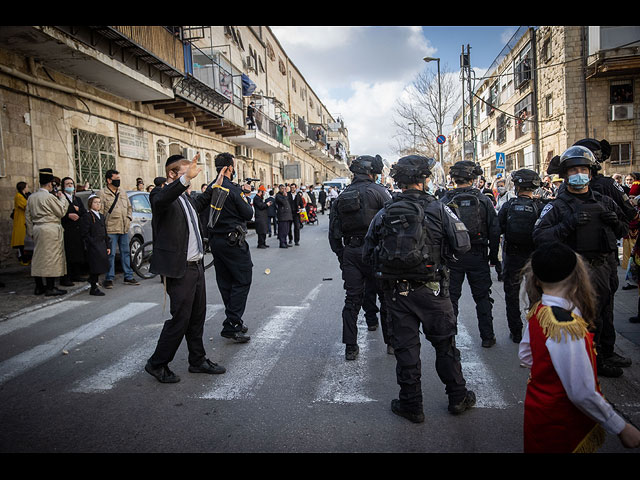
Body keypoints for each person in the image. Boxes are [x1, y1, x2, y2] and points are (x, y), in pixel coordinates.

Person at [363, 155, 475, 423]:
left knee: (406, 349)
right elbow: (463, 244)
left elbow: (368, 253)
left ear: (398, 181)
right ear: (425, 179)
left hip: (397, 293)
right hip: (434, 290)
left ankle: (412, 405)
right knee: (445, 345)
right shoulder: (441, 208)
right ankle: (457, 397)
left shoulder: (385, 212)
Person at [519, 242, 640, 453]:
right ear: (576, 278)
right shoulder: (565, 326)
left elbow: (526, 356)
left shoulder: (539, 310)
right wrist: (621, 427)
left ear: (537, 280)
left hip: (539, 412)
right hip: (561, 422)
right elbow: (582, 393)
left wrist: (548, 374)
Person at [533, 145, 629, 378]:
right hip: (577, 271)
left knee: (606, 312)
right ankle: (585, 359)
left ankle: (605, 353)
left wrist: (615, 221)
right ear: (565, 175)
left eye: (583, 169)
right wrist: (569, 224)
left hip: (606, 267)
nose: (579, 173)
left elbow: (624, 230)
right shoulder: (556, 206)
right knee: (583, 317)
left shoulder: (604, 201)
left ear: (591, 172)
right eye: (574, 169)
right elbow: (539, 236)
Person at [145, 154, 230, 383]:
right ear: (172, 174)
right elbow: (162, 199)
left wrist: (215, 185)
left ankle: (197, 360)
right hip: (180, 269)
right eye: (186, 170)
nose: (192, 174)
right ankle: (157, 363)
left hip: (197, 267)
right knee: (180, 319)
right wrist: (182, 181)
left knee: (196, 317)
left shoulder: (186, 198)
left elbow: (201, 203)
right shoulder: (160, 195)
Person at [328, 155, 392, 360]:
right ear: (370, 172)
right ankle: (391, 343)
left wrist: (342, 256)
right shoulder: (381, 192)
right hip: (376, 253)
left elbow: (333, 233)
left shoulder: (342, 195)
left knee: (352, 300)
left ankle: (350, 347)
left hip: (352, 253)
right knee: (386, 298)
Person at [440, 161, 501, 347]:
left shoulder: (444, 201)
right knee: (482, 297)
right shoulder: (483, 200)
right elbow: (495, 230)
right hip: (478, 254)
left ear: (453, 179)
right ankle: (487, 337)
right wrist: (493, 257)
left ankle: (450, 338)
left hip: (454, 256)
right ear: (473, 179)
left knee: (452, 298)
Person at [208, 152, 253, 343]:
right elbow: (248, 213)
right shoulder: (233, 189)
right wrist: (245, 196)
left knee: (225, 282)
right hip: (233, 242)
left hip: (216, 242)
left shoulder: (211, 187)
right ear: (228, 169)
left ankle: (234, 320)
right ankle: (232, 324)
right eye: (233, 167)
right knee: (242, 280)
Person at [497, 169, 545, 343]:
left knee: (511, 294)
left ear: (516, 186)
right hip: (535, 257)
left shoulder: (508, 206)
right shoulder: (541, 207)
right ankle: (535, 330)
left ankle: (516, 332)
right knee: (537, 296)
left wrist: (494, 258)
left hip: (513, 256)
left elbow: (497, 229)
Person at [25, 168, 68, 296]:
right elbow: (61, 211)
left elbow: (27, 216)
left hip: (37, 228)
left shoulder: (31, 197)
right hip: (50, 229)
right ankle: (50, 287)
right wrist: (63, 199)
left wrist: (30, 231)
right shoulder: (49, 197)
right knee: (52, 258)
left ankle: (39, 287)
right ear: (50, 184)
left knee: (38, 257)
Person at [97, 169, 139, 288]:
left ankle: (128, 276)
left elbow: (129, 207)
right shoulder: (102, 193)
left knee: (126, 252)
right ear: (109, 180)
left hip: (123, 227)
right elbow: (100, 212)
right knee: (111, 255)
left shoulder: (122, 192)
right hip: (110, 229)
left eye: (119, 179)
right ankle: (109, 278)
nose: (118, 181)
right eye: (116, 179)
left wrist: (129, 218)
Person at [80, 196, 111, 296]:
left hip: (101, 244)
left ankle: (93, 282)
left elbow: (105, 232)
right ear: (90, 204)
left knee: (101, 265)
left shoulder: (101, 216)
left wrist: (108, 245)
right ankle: (94, 287)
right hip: (93, 246)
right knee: (95, 267)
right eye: (95, 202)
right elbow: (85, 233)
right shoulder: (88, 216)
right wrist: (92, 242)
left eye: (99, 202)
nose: (98, 204)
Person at [59, 177, 87, 286]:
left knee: (77, 253)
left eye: (71, 183)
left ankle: (76, 275)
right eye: (67, 184)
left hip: (77, 230)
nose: (70, 185)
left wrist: (78, 210)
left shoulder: (77, 199)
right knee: (68, 254)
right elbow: (58, 213)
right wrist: (68, 215)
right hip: (67, 229)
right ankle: (66, 277)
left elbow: (83, 212)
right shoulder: (61, 198)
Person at [11, 181, 30, 266]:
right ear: (23, 188)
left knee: (24, 241)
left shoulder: (23, 196)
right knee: (21, 241)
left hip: (24, 220)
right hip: (20, 221)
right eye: (27, 187)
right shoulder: (19, 196)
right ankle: (23, 259)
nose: (28, 188)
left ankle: (26, 258)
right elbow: (26, 206)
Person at [275, 184, 292, 248]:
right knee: (282, 230)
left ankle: (285, 242)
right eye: (282, 189)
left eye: (285, 189)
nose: (284, 190)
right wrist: (285, 196)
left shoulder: (285, 195)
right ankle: (282, 243)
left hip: (287, 215)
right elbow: (283, 202)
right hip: (282, 216)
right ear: (279, 189)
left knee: (286, 230)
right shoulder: (278, 196)